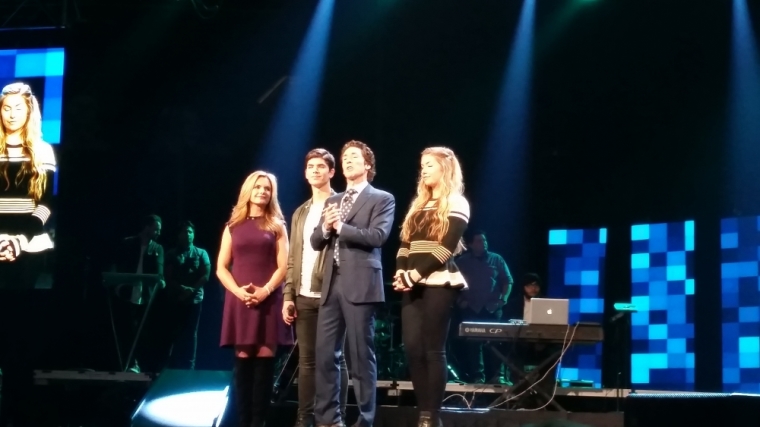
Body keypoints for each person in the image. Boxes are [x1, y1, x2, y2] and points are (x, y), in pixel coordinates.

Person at [310, 140, 395, 427]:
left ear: (367, 165)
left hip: (361, 284)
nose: (347, 161)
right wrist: (324, 227)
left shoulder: (382, 198)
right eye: (344, 157)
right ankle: (328, 419)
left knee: (360, 356)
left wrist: (340, 228)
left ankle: (365, 419)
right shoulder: (333, 201)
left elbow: (378, 237)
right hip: (331, 284)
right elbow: (314, 241)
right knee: (324, 355)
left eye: (354, 157)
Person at [393, 147, 470, 427]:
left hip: (439, 281)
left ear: (445, 169)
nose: (423, 170)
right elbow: (405, 244)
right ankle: (423, 411)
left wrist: (415, 274)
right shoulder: (417, 204)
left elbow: (446, 248)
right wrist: (402, 272)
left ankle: (430, 415)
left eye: (429, 165)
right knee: (412, 348)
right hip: (411, 280)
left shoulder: (456, 202)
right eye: (422, 165)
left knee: (432, 349)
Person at [217, 171, 293, 427]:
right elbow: (221, 267)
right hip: (239, 301)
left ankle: (259, 423)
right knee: (242, 368)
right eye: (258, 186)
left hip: (268, 300)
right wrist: (238, 292)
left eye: (267, 188)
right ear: (248, 190)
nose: (262, 191)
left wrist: (266, 290)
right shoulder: (232, 226)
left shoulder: (277, 226)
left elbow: (284, 266)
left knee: (263, 368)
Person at [282, 149, 348, 427]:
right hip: (304, 294)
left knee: (335, 358)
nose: (315, 170)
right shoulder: (301, 211)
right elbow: (293, 257)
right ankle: (304, 418)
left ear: (332, 172)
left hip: (333, 293)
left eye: (321, 166)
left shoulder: (344, 202)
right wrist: (288, 294)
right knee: (307, 361)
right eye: (310, 166)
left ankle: (336, 418)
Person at [0, 82, 56, 290]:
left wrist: (20, 240)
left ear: (29, 111)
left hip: (31, 244)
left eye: (18, 108)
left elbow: (46, 204)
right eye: (7, 108)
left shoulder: (43, 151)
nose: (12, 114)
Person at [455, 230, 513, 384]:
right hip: (472, 307)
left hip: (492, 307)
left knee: (496, 343)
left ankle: (497, 376)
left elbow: (508, 280)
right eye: (480, 241)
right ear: (471, 244)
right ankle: (477, 377)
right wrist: (460, 301)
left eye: (485, 240)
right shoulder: (462, 261)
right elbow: (453, 284)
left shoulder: (496, 259)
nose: (484, 244)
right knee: (474, 345)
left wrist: (503, 299)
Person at [110, 214, 165, 373]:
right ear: (147, 227)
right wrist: (116, 284)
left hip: (144, 295)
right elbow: (117, 264)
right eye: (156, 229)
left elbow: (159, 272)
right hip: (126, 293)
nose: (158, 232)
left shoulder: (157, 248)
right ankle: (125, 364)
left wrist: (160, 281)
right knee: (125, 329)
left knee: (141, 331)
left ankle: (138, 364)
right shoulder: (128, 243)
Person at [162, 220, 211, 370]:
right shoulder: (171, 254)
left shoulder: (201, 253)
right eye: (185, 232)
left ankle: (190, 366)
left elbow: (205, 275)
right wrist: (180, 289)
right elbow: (167, 277)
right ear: (178, 235)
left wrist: (191, 290)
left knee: (191, 333)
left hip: (194, 300)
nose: (188, 235)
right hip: (175, 298)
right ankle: (169, 366)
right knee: (172, 332)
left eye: (190, 232)